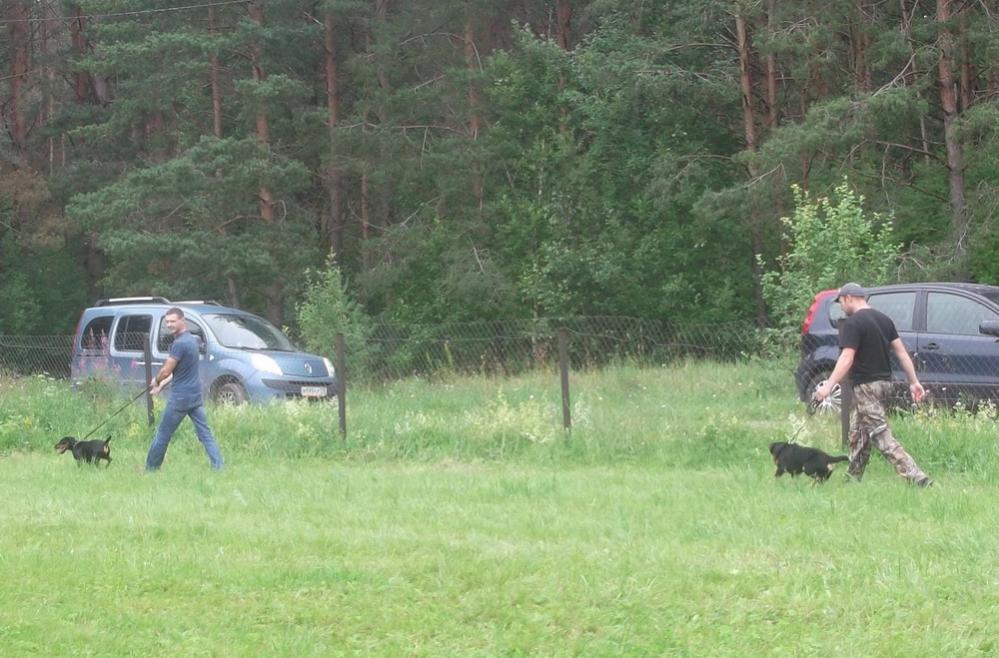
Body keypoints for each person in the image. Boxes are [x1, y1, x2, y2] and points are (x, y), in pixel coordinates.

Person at [814, 283, 932, 487]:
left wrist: (828, 386)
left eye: (841, 302)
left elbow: (846, 357)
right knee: (858, 434)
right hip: (884, 384)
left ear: (849, 298)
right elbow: (902, 353)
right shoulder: (884, 320)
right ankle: (852, 480)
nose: (841, 306)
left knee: (880, 435)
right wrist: (913, 382)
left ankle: (917, 477)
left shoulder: (853, 324)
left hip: (866, 387)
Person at [145, 307, 224, 471]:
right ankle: (219, 467)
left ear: (182, 320)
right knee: (205, 434)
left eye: (173, 321)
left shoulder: (179, 344)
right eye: (167, 322)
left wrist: (156, 380)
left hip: (180, 398)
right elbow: (178, 372)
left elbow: (166, 370)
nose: (169, 325)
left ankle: (151, 469)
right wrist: (161, 385)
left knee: (163, 434)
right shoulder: (192, 340)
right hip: (195, 396)